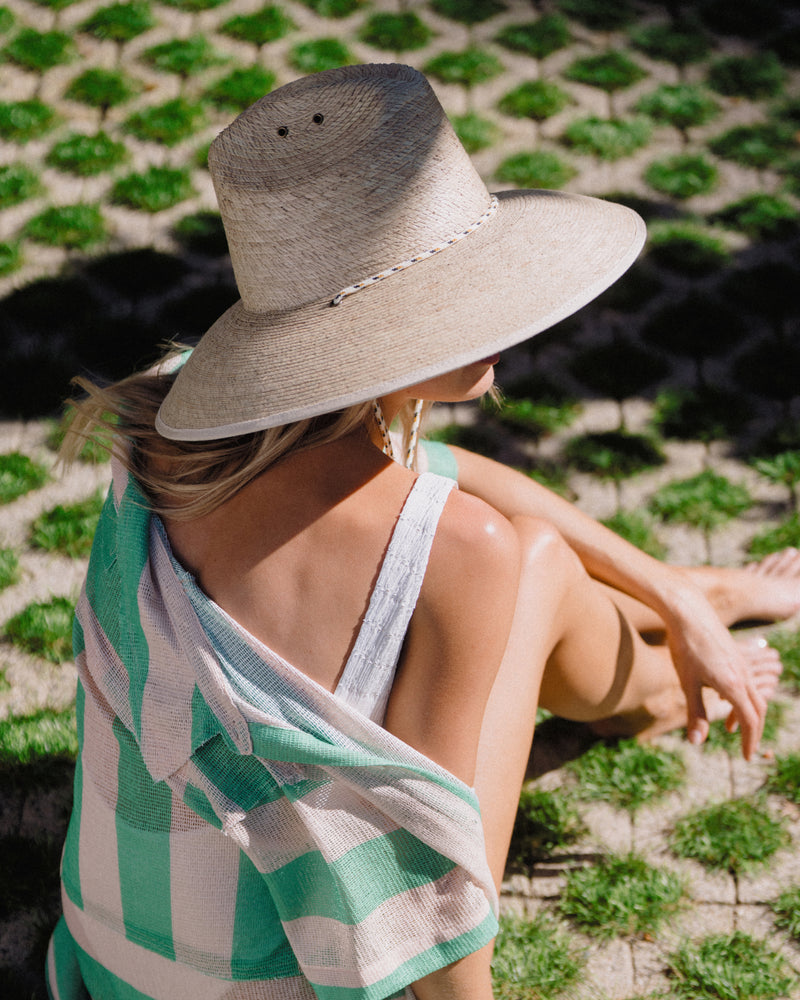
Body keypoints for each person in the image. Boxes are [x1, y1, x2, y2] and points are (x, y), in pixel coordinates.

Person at [47, 64, 798, 1000]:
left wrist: (678, 593)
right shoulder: (461, 552)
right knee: (538, 561)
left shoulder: (176, 430)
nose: (496, 316)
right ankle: (647, 695)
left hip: (110, 966)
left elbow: (447, 476)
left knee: (512, 549)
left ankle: (700, 609)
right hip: (287, 984)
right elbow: (441, 951)